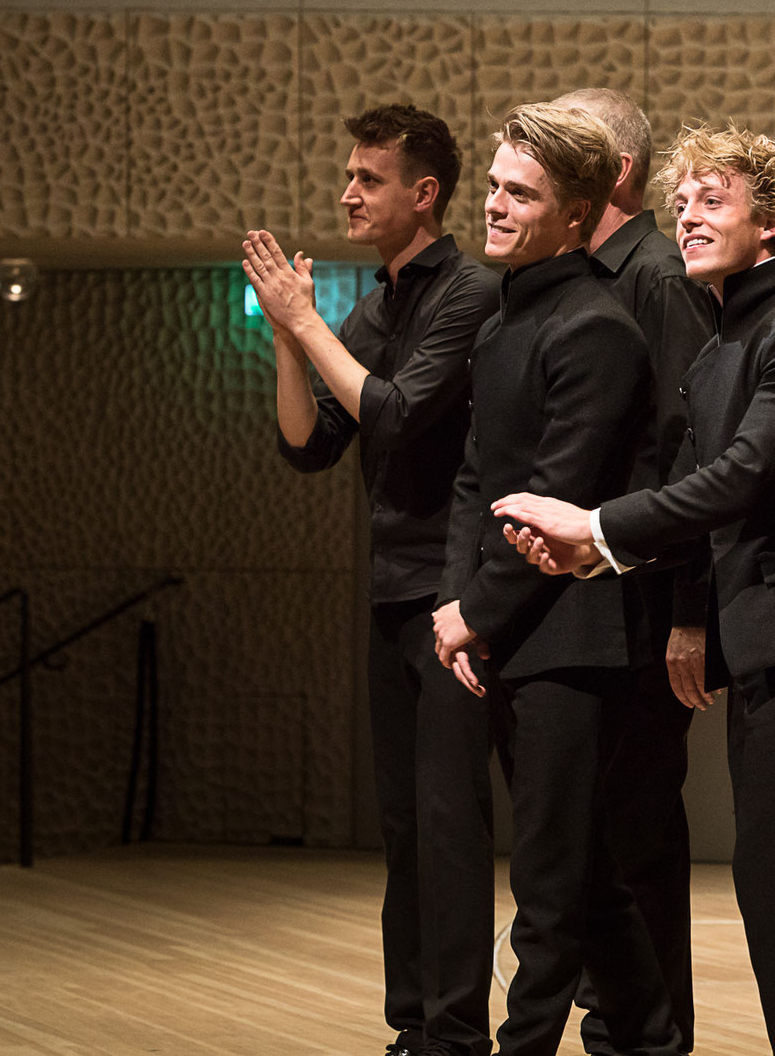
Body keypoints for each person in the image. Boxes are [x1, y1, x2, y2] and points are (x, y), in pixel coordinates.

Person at [496, 124, 775, 1056]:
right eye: (682, 199)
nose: (687, 214)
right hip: (759, 635)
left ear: (771, 222)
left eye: (714, 199)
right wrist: (597, 557)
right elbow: (687, 492)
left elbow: (739, 477)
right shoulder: (723, 336)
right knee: (766, 879)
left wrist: (600, 531)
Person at [243, 104, 502, 1056]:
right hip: (391, 587)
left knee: (447, 818)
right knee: (403, 822)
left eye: (369, 178)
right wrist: (285, 335)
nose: (348, 192)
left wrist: (307, 319)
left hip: (453, 595)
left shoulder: (469, 292)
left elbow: (392, 415)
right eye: (349, 175)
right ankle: (413, 1025)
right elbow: (310, 445)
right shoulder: (377, 302)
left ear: (423, 193)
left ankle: (457, 1032)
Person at [429, 101, 681, 1056]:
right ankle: (652, 1041)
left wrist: (478, 612)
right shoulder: (506, 322)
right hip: (511, 631)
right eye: (493, 185)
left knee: (550, 877)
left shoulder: (597, 328)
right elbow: (473, 479)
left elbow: (560, 495)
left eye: (518, 193)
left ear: (578, 213)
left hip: (574, 644)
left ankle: (524, 1043)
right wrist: (458, 604)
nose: (492, 204)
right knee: (586, 874)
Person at [547, 87, 717, 1056]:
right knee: (598, 834)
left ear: (611, 171)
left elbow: (686, 451)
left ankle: (649, 1035)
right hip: (593, 602)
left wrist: (687, 611)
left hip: (645, 602)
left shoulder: (655, 274)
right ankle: (619, 1023)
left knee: (635, 834)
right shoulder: (584, 277)